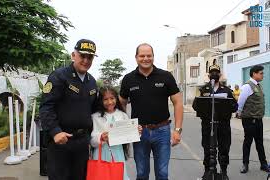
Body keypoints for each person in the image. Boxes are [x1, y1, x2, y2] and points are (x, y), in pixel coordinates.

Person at [119, 43, 183, 180]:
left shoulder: (165, 76)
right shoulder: (128, 79)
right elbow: (121, 105)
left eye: (149, 55)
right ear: (136, 57)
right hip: (139, 132)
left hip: (162, 131)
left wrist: (177, 130)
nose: (146, 58)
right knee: (142, 173)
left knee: (162, 173)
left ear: (153, 57)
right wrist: (125, 129)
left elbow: (178, 102)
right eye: (142, 55)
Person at [39, 39, 98, 180]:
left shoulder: (92, 82)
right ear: (73, 55)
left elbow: (96, 110)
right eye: (82, 56)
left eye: (89, 57)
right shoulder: (59, 76)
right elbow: (46, 106)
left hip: (82, 143)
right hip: (61, 141)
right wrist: (55, 132)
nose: (85, 60)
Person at [193, 64, 237, 180]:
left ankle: (223, 171)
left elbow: (235, 106)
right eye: (212, 72)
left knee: (224, 148)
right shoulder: (203, 89)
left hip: (223, 125)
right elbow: (195, 105)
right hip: (208, 125)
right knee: (207, 148)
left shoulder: (227, 90)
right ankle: (208, 170)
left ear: (220, 74)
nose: (214, 74)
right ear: (208, 75)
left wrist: (229, 103)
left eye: (216, 72)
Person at [90, 86, 142, 180]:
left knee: (118, 175)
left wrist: (136, 131)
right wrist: (101, 137)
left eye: (112, 98)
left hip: (118, 153)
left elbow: (129, 135)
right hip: (101, 154)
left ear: (116, 99)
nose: (109, 102)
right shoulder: (95, 117)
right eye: (105, 99)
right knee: (102, 176)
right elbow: (92, 141)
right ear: (100, 101)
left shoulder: (122, 115)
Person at [238, 65, 269, 174]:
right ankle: (245, 164)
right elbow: (241, 101)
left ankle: (263, 164)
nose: (262, 75)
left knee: (259, 142)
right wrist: (239, 112)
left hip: (258, 119)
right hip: (249, 120)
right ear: (254, 74)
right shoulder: (247, 86)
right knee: (248, 142)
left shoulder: (258, 86)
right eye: (261, 73)